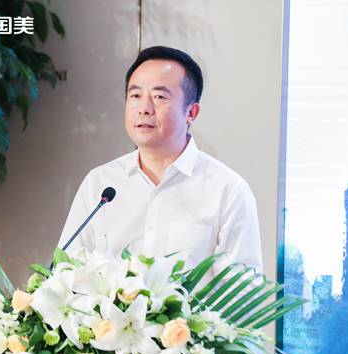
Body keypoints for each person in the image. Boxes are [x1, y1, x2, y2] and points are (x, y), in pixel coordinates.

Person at [59, 46, 263, 274]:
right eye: (135, 96)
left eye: (159, 97)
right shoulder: (100, 183)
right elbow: (66, 272)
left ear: (191, 112)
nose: (144, 109)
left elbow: (241, 290)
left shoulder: (227, 190)